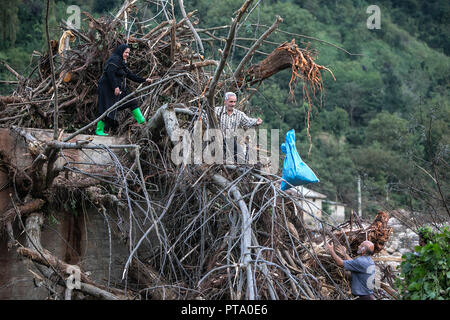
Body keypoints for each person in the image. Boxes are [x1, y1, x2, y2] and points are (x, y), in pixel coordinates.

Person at [96, 44, 152, 136]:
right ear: (121, 51)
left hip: (116, 89)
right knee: (106, 108)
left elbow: (130, 75)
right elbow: (110, 73)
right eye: (126, 52)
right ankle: (99, 130)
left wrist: (144, 80)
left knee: (131, 101)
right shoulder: (114, 60)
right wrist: (115, 87)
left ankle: (141, 121)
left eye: (128, 53)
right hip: (106, 88)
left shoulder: (121, 63)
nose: (127, 54)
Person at [214, 92, 262, 162]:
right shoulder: (217, 111)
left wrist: (256, 122)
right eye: (231, 102)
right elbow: (205, 117)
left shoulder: (238, 114)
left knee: (241, 157)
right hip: (217, 140)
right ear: (225, 101)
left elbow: (248, 121)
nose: (233, 104)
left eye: (234, 102)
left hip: (230, 140)